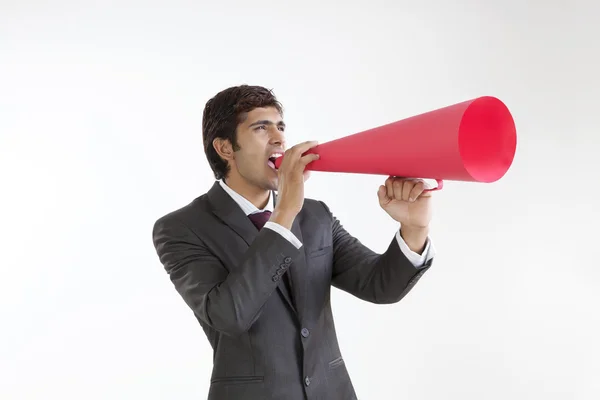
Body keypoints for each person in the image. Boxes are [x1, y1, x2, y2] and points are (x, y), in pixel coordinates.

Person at [152, 85, 436, 400]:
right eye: (261, 128)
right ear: (225, 148)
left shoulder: (315, 215)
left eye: (281, 127)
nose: (279, 139)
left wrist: (414, 228)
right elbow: (229, 315)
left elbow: (379, 286)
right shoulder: (181, 228)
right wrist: (284, 211)